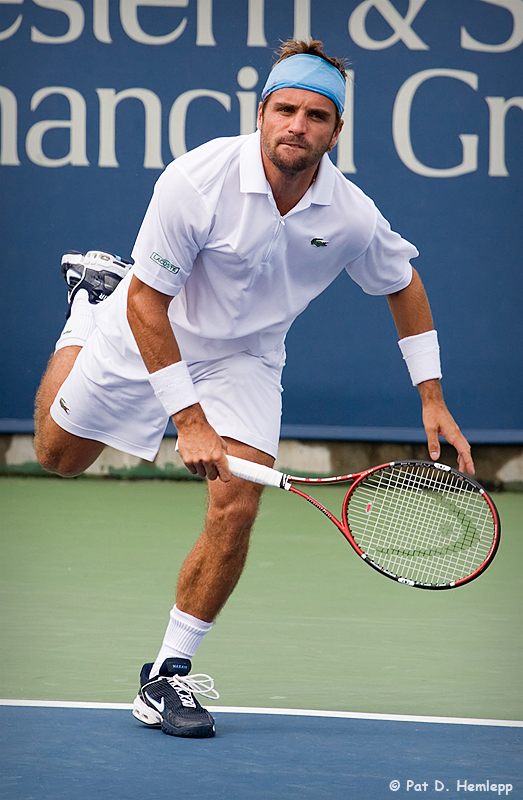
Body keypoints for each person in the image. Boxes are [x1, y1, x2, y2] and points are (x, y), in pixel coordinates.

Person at [34, 39, 474, 739]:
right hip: (145, 325)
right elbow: (149, 305)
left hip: (244, 359)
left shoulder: (350, 215)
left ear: (335, 131)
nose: (297, 125)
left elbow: (403, 282)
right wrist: (188, 418)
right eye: (285, 109)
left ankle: (167, 674)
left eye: (316, 115)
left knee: (235, 507)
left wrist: (430, 396)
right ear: (261, 113)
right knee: (58, 459)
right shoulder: (197, 179)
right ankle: (87, 306)